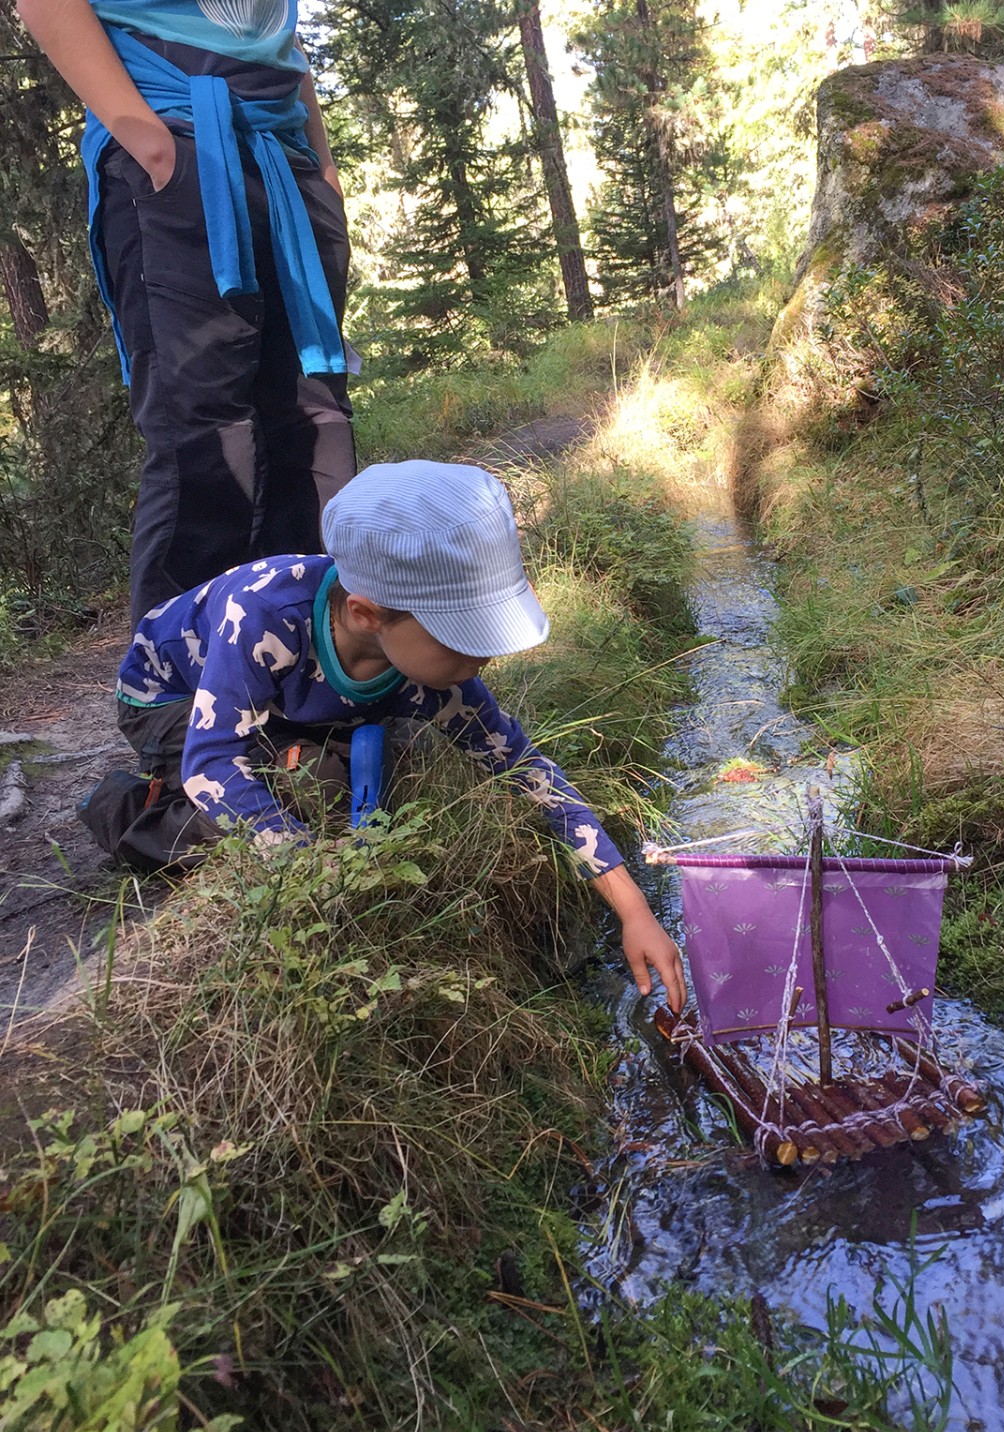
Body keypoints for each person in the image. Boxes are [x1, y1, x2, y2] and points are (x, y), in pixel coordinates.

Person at [79, 460, 687, 1012]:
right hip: (171, 698)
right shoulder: (264, 616)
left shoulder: (435, 671)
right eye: (463, 636)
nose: (484, 659)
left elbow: (524, 769)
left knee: (341, 775)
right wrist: (312, 872)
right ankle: (135, 811)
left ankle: (311, 749)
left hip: (291, 703)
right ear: (367, 614)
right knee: (302, 789)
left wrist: (634, 911)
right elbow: (213, 763)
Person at [16, 0, 356, 623]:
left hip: (286, 156)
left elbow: (278, 31)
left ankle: (308, 666)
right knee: (202, 429)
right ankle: (177, 692)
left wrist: (324, 165)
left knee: (316, 415)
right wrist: (150, 143)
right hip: (179, 141)